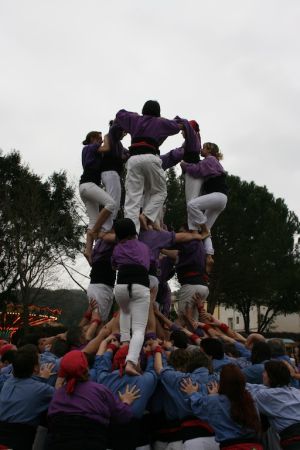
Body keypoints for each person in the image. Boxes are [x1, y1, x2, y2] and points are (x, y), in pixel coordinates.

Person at [47, 350, 139, 450]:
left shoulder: (56, 396)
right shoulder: (99, 390)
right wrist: (126, 401)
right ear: (86, 368)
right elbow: (123, 416)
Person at [115, 100, 181, 232]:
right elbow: (176, 127)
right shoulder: (159, 122)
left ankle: (131, 235)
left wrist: (133, 114)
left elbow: (119, 114)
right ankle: (146, 216)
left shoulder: (134, 119)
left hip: (133, 160)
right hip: (151, 158)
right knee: (160, 191)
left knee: (132, 200)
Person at [181, 364, 263, 449]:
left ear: (222, 382)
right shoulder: (251, 401)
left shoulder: (216, 401)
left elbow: (199, 406)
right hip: (255, 446)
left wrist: (192, 393)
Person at [111, 218, 151, 375]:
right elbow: (149, 264)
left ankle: (125, 343)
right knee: (139, 329)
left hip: (121, 286)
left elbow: (113, 265)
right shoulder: (144, 247)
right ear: (134, 232)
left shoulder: (117, 248)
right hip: (140, 285)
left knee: (125, 312)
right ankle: (131, 362)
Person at [181, 142, 228, 272]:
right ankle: (209, 256)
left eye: (203, 148)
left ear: (209, 150)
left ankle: (203, 228)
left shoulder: (210, 160)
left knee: (192, 204)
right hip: (221, 199)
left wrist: (184, 165)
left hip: (218, 196)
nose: (201, 150)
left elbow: (197, 170)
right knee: (207, 231)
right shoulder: (215, 162)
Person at [0, 345, 55, 450]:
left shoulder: (8, 382)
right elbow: (57, 397)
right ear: (35, 367)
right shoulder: (43, 389)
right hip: (20, 441)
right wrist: (43, 379)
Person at [79, 130, 116, 264]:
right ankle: (94, 232)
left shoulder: (88, 151)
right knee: (111, 204)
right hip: (89, 185)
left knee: (93, 220)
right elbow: (107, 148)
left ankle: (88, 251)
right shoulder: (90, 147)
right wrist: (107, 137)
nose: (101, 141)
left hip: (84, 187)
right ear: (93, 139)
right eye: (99, 139)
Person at [247, 360, 300, 450]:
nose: (262, 375)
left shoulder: (265, 395)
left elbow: (244, 388)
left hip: (294, 439)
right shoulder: (295, 391)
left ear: (271, 376)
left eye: (265, 372)